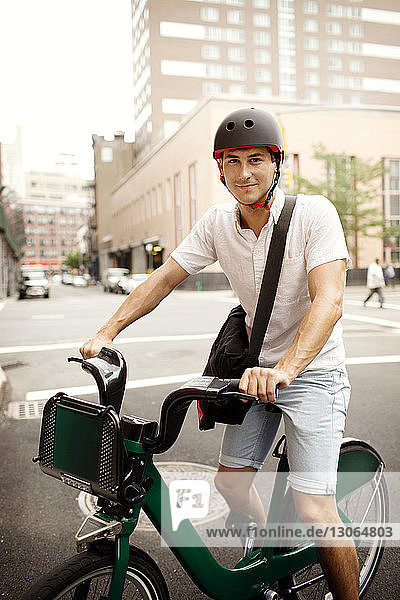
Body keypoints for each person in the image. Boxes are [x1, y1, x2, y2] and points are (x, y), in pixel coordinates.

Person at [80, 107, 357, 600]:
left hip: (314, 372)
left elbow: (329, 301)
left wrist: (288, 369)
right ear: (220, 168)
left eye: (256, 160)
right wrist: (107, 332)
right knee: (231, 486)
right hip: (253, 374)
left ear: (277, 164)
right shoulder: (216, 224)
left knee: (317, 509)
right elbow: (164, 278)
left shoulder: (314, 214)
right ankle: (273, 541)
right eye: (232, 161)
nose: (244, 173)